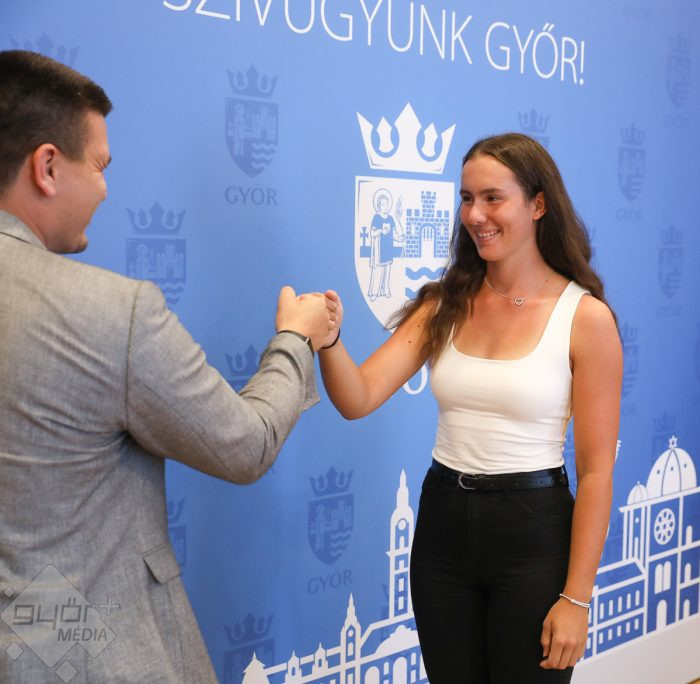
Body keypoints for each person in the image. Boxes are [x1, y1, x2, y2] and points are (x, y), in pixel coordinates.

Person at [0, 50, 336, 683]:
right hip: (92, 656)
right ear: (46, 167)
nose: (105, 188)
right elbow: (244, 444)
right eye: (99, 166)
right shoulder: (110, 312)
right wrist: (295, 338)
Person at [319, 133, 622, 682]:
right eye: (466, 198)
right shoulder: (444, 304)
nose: (474, 215)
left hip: (533, 536)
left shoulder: (585, 318)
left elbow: (598, 471)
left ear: (537, 204)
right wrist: (329, 340)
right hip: (442, 532)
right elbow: (357, 397)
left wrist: (577, 598)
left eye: (492, 198)